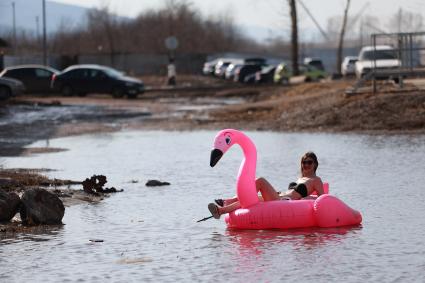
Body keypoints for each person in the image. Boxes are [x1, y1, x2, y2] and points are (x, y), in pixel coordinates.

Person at [208, 151, 324, 219]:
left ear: (315, 164)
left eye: (309, 162)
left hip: (284, 201)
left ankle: (228, 201)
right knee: (249, 199)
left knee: (260, 181)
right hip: (280, 196)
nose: (306, 165)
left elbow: (322, 199)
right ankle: (222, 210)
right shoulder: (301, 178)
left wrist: (308, 198)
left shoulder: (316, 180)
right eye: (304, 162)